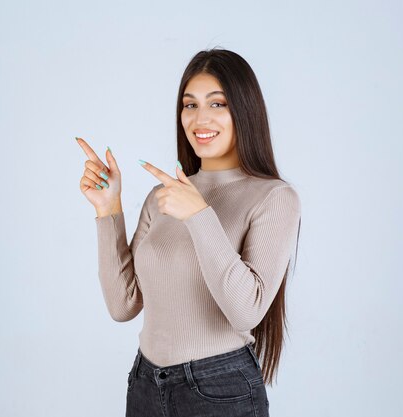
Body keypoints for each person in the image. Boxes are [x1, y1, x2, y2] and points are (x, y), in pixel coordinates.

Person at [76, 48, 301, 417]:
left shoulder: (273, 197)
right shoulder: (162, 197)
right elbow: (123, 305)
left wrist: (200, 215)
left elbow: (247, 312)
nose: (200, 118)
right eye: (190, 105)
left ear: (244, 110)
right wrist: (108, 209)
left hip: (220, 389)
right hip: (146, 385)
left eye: (218, 104)